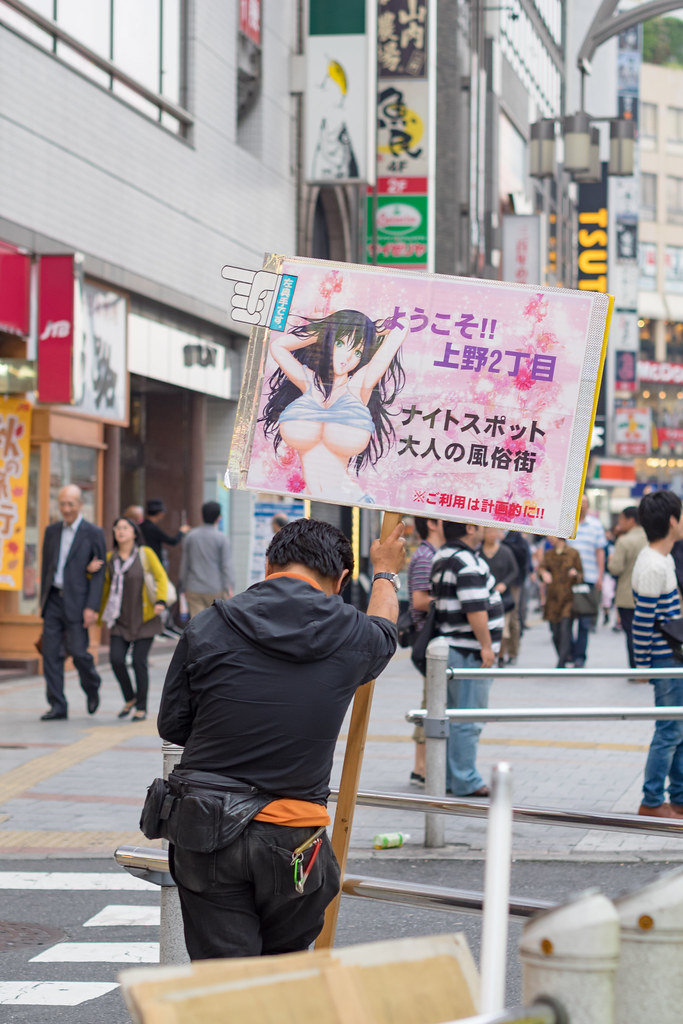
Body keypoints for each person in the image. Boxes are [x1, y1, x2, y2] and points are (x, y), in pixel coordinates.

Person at [157, 517, 405, 959]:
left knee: (224, 981)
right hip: (294, 839)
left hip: (205, 826)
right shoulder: (352, 633)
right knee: (284, 976)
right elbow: (386, 629)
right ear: (341, 579)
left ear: (269, 564)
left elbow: (173, 726)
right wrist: (385, 571)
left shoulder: (207, 625)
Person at [262, 309, 406, 505]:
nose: (347, 357)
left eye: (356, 352)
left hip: (351, 499)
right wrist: (325, 330)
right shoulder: (308, 381)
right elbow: (279, 346)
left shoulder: (359, 386)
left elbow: (402, 326)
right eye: (339, 344)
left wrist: (371, 329)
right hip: (314, 501)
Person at [430, 520, 504, 798]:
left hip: (452, 648)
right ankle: (465, 779)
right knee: (468, 719)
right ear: (470, 528)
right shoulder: (464, 560)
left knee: (454, 716)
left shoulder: (444, 555)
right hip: (469, 650)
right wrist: (486, 645)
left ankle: (450, 777)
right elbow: (475, 607)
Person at [632, 490, 683, 819]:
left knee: (677, 729)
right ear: (671, 522)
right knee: (668, 730)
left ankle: (677, 798)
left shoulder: (663, 558)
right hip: (665, 659)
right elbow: (641, 622)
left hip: (673, 657)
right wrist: (643, 665)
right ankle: (651, 801)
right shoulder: (653, 563)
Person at [39, 485, 106, 721]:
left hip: (78, 603)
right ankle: (58, 705)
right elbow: (48, 567)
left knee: (79, 653)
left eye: (71, 504)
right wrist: (42, 601)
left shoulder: (93, 533)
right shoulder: (51, 531)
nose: (66, 509)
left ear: (80, 505)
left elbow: (99, 573)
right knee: (50, 655)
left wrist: (92, 607)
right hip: (53, 601)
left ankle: (92, 684)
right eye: (63, 504)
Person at [99, 516, 167, 721]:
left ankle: (141, 706)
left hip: (145, 618)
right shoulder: (110, 558)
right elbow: (103, 586)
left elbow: (160, 577)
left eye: (125, 528)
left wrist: (161, 601)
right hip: (120, 619)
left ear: (134, 533)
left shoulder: (145, 554)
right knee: (116, 660)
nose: (120, 531)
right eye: (117, 528)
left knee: (139, 662)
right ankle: (130, 698)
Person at [407, 516, 444, 787]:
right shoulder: (425, 557)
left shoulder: (435, 554)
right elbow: (419, 600)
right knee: (429, 700)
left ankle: (422, 765)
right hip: (428, 639)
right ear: (432, 523)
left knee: (432, 699)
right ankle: (420, 766)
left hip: (435, 639)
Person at [568, 495, 606, 668]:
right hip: (567, 581)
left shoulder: (596, 526)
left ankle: (579, 656)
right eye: (580, 503)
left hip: (589, 578)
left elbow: (600, 552)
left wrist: (600, 576)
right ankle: (568, 652)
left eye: (586, 503)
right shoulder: (567, 522)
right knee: (565, 620)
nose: (583, 506)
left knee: (584, 621)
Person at [180, 501, 235, 618]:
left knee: (197, 623)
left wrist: (182, 585)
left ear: (202, 515)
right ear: (218, 518)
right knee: (213, 623)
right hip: (215, 588)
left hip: (193, 587)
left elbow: (185, 563)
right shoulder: (222, 538)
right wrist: (229, 587)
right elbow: (226, 565)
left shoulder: (191, 536)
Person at [608, 505, 647, 670]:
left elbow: (615, 568)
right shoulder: (651, 537)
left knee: (631, 634)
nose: (619, 522)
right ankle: (647, 666)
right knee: (646, 632)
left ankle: (636, 667)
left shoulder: (624, 541)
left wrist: (611, 561)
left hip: (627, 595)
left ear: (631, 520)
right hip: (647, 593)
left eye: (621, 519)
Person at [539, 537, 583, 668]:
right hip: (552, 599)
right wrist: (543, 573)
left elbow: (581, 575)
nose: (548, 537)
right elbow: (540, 569)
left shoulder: (573, 553)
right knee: (555, 631)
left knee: (565, 629)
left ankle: (562, 661)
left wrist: (575, 574)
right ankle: (564, 655)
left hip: (568, 598)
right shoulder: (549, 554)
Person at [480, 528, 519, 667]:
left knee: (503, 630)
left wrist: (504, 584)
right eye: (488, 532)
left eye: (493, 532)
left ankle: (501, 655)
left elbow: (514, 571)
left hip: (503, 598)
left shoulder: (505, 551)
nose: (491, 535)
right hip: (483, 597)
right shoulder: (477, 552)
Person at [140, 498, 190, 567]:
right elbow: (172, 541)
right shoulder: (153, 528)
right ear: (159, 513)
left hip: (142, 560)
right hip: (153, 562)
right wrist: (182, 531)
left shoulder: (141, 526)